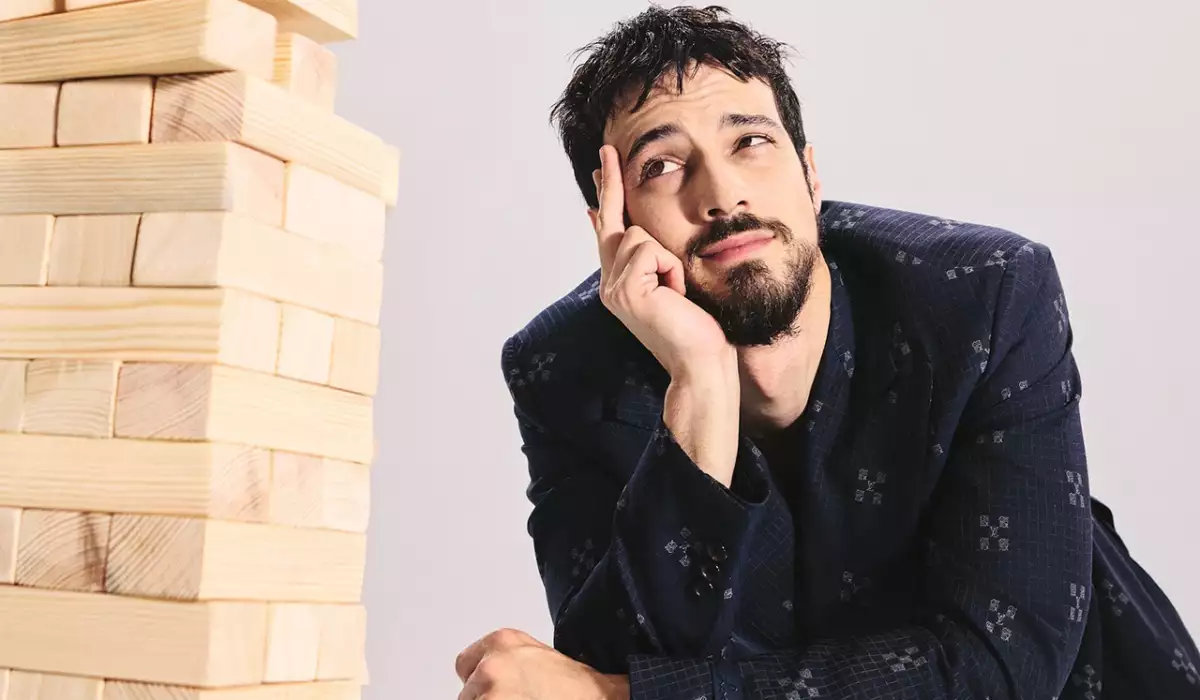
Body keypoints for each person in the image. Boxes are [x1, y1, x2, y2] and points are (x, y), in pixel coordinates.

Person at [455, 6, 1200, 699]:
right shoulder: (560, 370)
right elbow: (611, 653)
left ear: (811, 177)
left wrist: (623, 695)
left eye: (750, 142)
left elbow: (1000, 669)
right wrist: (700, 386)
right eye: (662, 166)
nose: (724, 195)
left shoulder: (984, 296)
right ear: (609, 223)